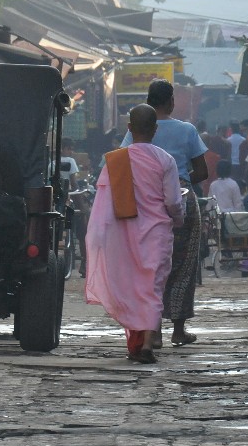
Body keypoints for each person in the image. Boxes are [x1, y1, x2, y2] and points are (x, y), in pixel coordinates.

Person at [85, 104, 186, 364]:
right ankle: (147, 343)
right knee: (152, 286)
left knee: (132, 285)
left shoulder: (115, 160)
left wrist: (99, 238)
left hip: (123, 234)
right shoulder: (165, 159)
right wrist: (179, 219)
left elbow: (103, 204)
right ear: (155, 129)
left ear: (129, 128)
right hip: (157, 232)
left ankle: (142, 343)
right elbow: (174, 201)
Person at [120, 78, 209, 349]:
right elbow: (202, 172)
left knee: (151, 264)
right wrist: (178, 180)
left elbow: (124, 160)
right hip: (181, 200)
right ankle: (179, 330)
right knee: (183, 265)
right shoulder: (187, 130)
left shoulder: (139, 128)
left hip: (146, 201)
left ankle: (153, 330)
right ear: (171, 101)